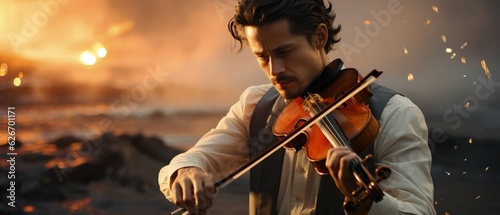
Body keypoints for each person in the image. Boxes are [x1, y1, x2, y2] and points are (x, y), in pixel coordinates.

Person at [158, 0, 435, 214]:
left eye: (284, 52)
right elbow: (186, 163)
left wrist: (367, 203)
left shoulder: (395, 115)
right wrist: (185, 174)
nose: (275, 70)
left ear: (320, 37)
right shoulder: (255, 107)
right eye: (262, 57)